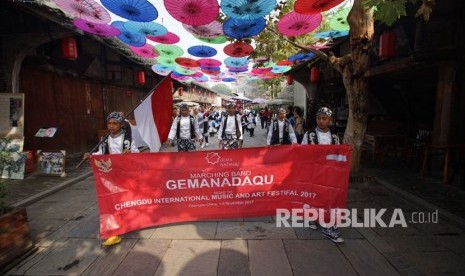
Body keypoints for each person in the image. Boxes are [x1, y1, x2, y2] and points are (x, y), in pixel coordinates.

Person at [83, 111, 139, 246]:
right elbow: (100, 153)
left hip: (124, 176)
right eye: (109, 123)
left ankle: (127, 222)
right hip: (110, 177)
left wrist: (130, 152)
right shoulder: (105, 139)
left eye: (115, 123)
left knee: (124, 201)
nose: (111, 126)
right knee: (113, 202)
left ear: (121, 125)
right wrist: (90, 156)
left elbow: (137, 154)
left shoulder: (128, 139)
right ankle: (115, 231)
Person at [301, 107, 343, 243]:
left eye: (324, 118)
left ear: (329, 120)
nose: (321, 121)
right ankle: (312, 217)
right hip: (314, 174)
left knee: (328, 199)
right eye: (319, 118)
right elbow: (302, 153)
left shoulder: (335, 137)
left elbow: (339, 156)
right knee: (314, 197)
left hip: (330, 175)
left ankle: (328, 227)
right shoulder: (309, 135)